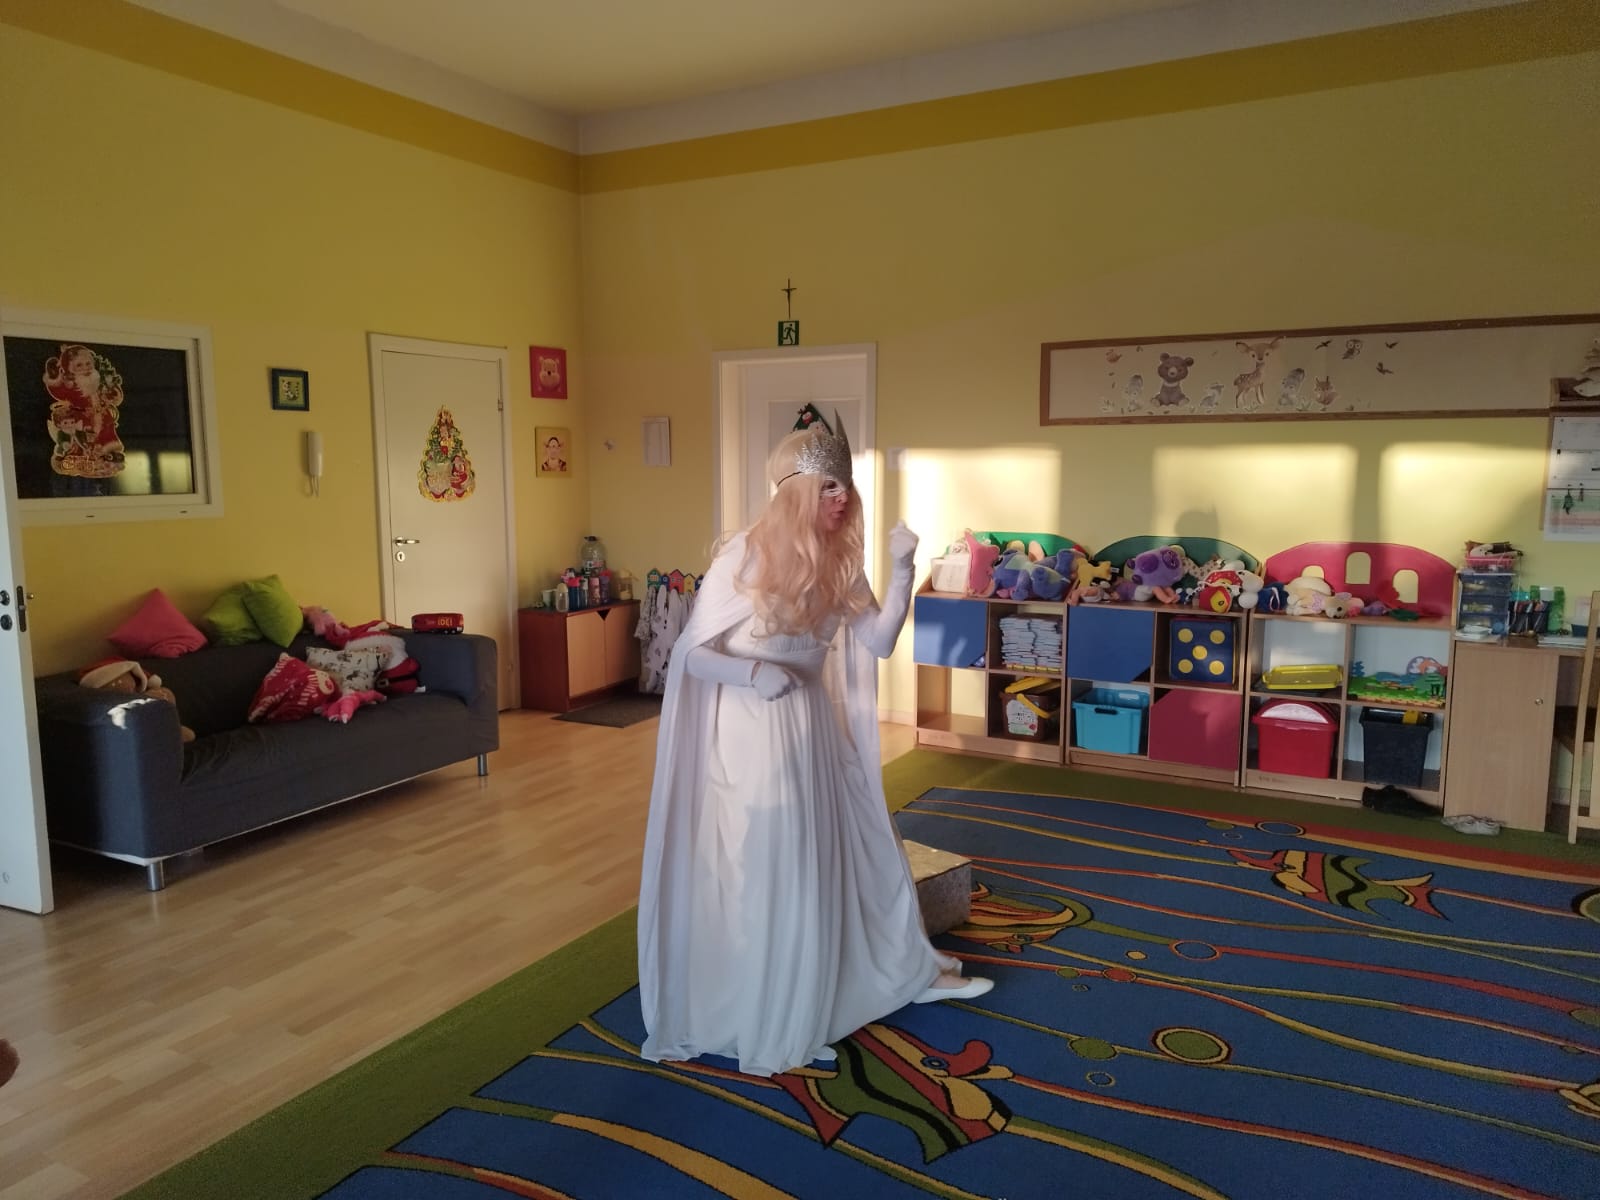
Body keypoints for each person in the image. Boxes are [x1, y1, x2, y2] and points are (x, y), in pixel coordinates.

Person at [637, 422, 992, 1079]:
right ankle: (772, 999)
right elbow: (692, 655)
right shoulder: (743, 556)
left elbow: (879, 640)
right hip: (751, 732)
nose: (841, 498)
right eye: (828, 486)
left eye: (845, 486)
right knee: (771, 857)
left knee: (839, 845)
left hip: (808, 725)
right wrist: (752, 673)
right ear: (795, 490)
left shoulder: (838, 561)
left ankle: (868, 973)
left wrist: (903, 570)